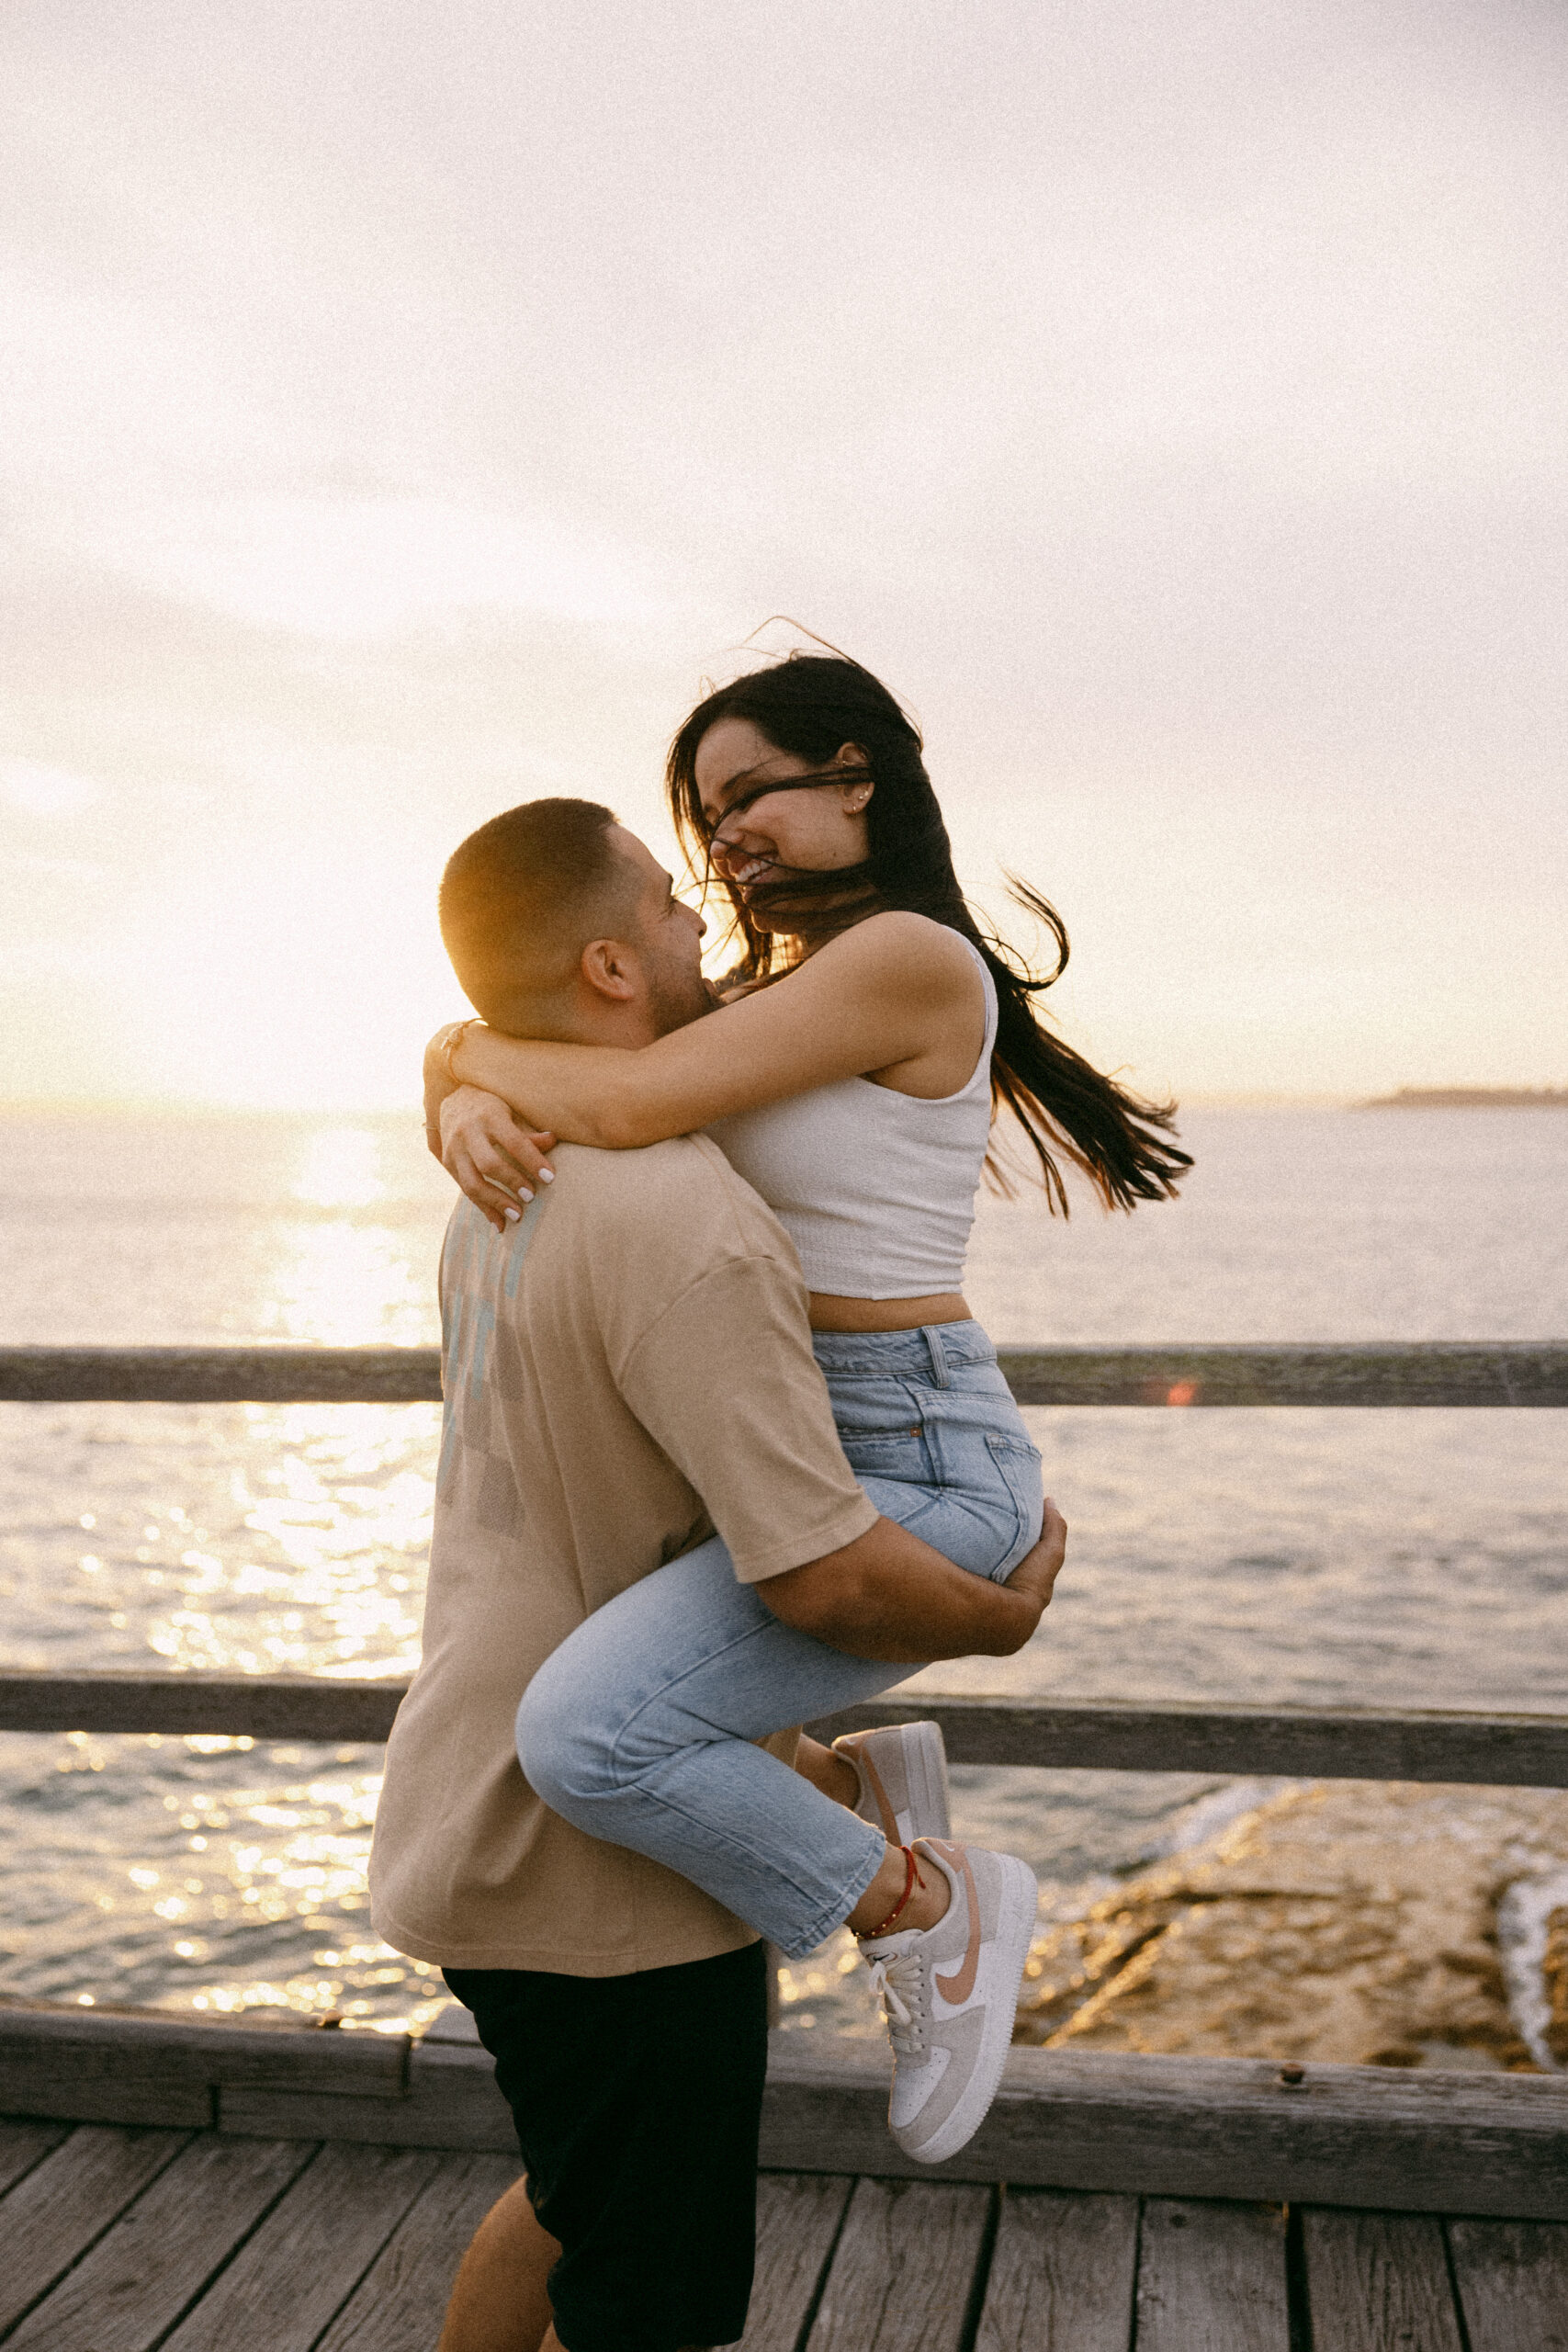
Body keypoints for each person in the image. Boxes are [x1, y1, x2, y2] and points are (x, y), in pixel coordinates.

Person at [423, 654, 1189, 2174]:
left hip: (910, 1451)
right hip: (781, 1443)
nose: (727, 847)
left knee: (586, 1738)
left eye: (748, 797)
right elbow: (608, 1059)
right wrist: (455, 1090)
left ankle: (927, 1910)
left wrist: (452, 1058)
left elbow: (627, 1103)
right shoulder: (784, 991)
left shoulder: (906, 958)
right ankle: (858, 1788)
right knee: (609, 1713)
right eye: (704, 822)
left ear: (856, 774)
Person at [369, 793, 1068, 2352]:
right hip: (594, 1873)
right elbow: (817, 1575)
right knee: (655, 2301)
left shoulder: (505, 1179)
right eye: (675, 911)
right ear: (614, 969)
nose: (711, 926)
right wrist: (1000, 1617)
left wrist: (457, 1070)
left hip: (463, 1800)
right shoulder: (691, 1223)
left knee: (573, 2198)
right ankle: (921, 1889)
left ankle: (846, 1788)